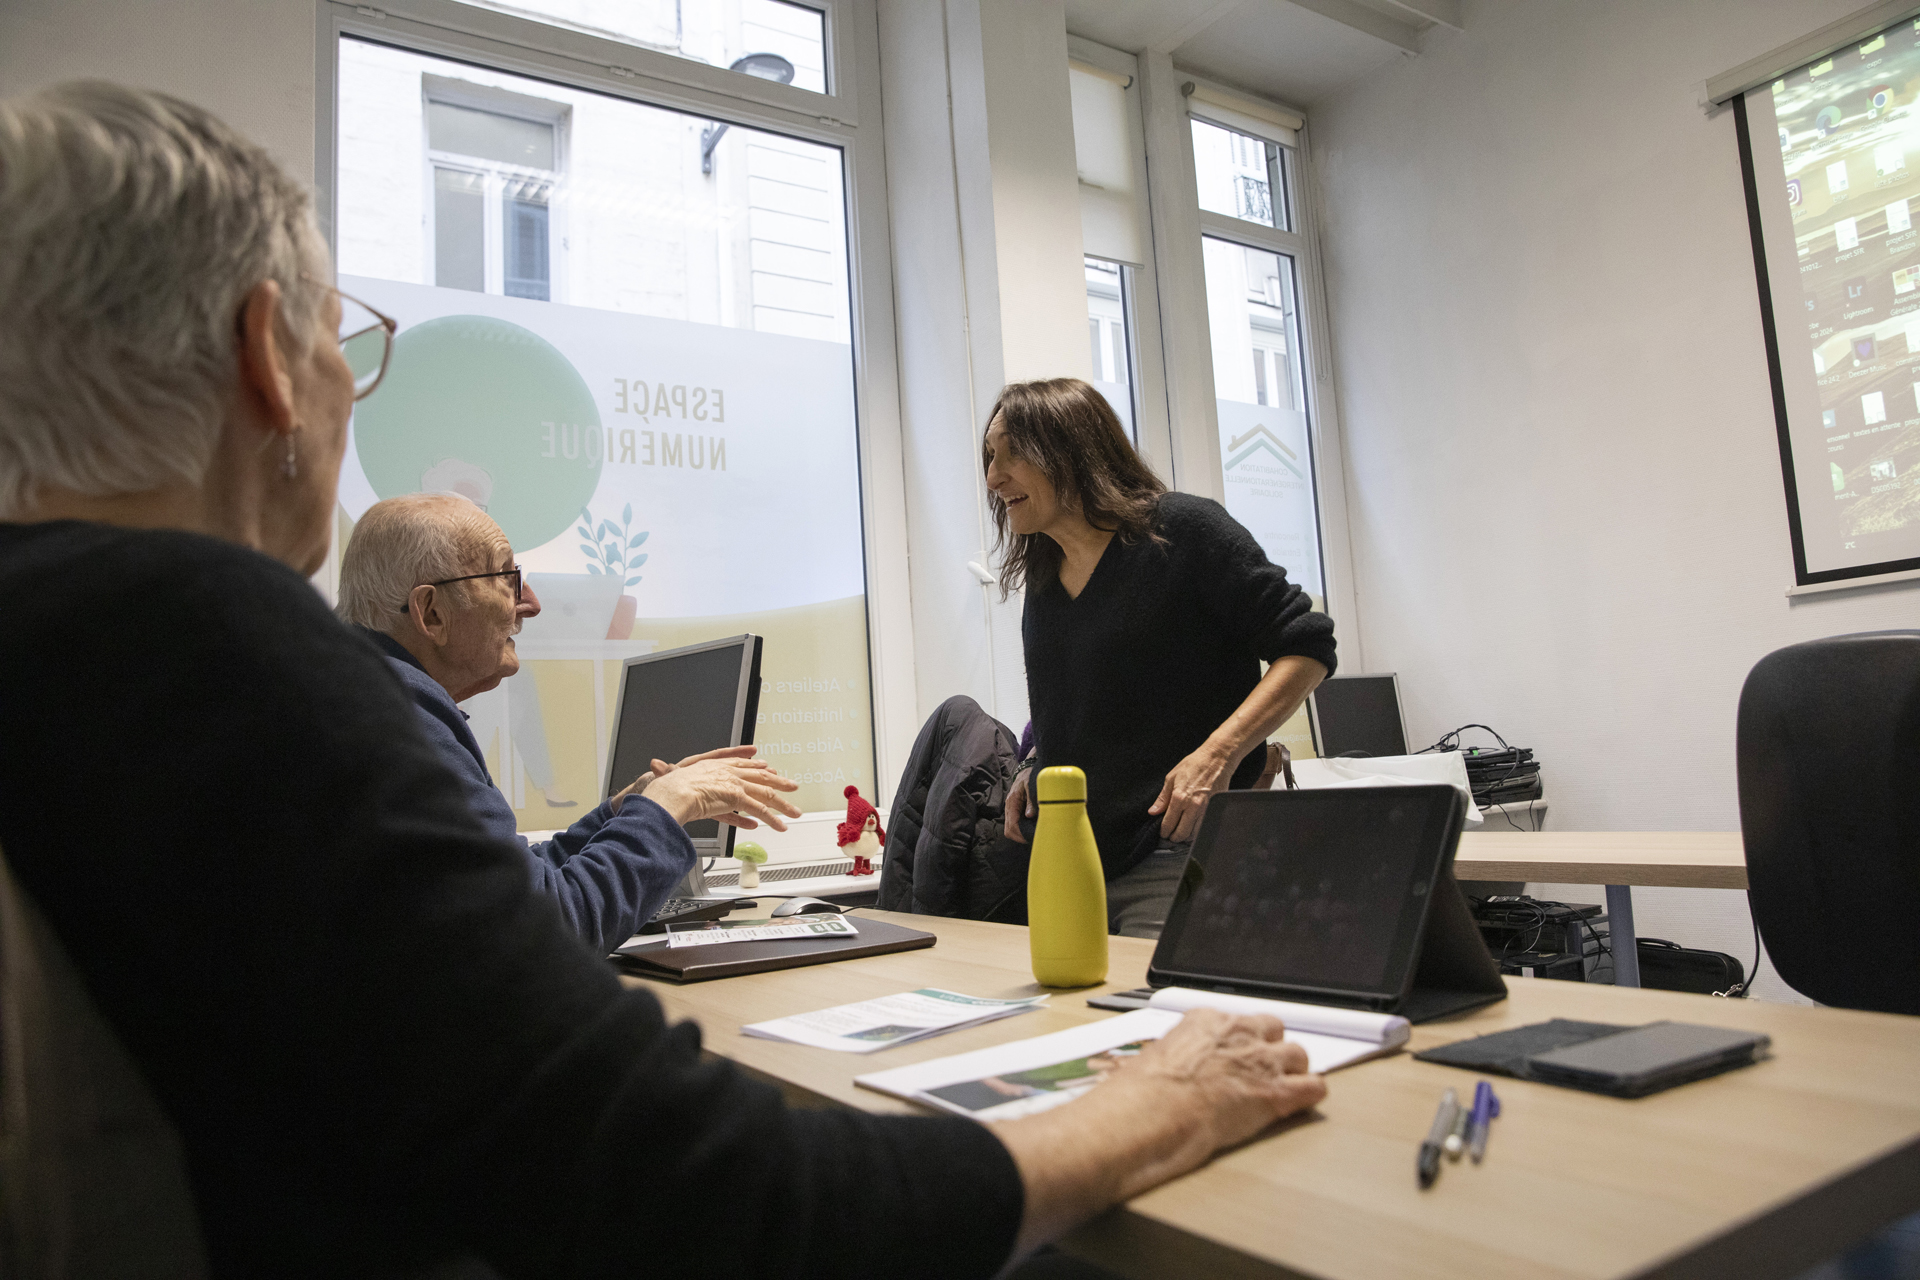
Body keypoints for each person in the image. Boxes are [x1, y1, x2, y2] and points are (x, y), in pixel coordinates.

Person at [0, 82, 1327, 1276]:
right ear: (263, 357)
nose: (352, 378)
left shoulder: (83, 659)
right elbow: (725, 1205)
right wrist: (1150, 1103)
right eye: (344, 338)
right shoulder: (229, 666)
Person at [335, 493, 799, 952]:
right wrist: (667, 806)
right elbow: (547, 932)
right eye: (506, 577)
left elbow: (507, 887)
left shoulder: (371, 700)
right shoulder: (404, 727)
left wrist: (620, 814)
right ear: (431, 612)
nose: (531, 603)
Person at [986, 378, 1337, 938]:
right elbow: (1092, 707)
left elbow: (1307, 646)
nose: (994, 476)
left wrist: (1218, 755)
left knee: (1157, 1020)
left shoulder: (1185, 531)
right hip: (1070, 861)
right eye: (990, 457)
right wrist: (1039, 763)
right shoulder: (1046, 576)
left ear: (1072, 452)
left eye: (1012, 455)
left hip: (1177, 854)